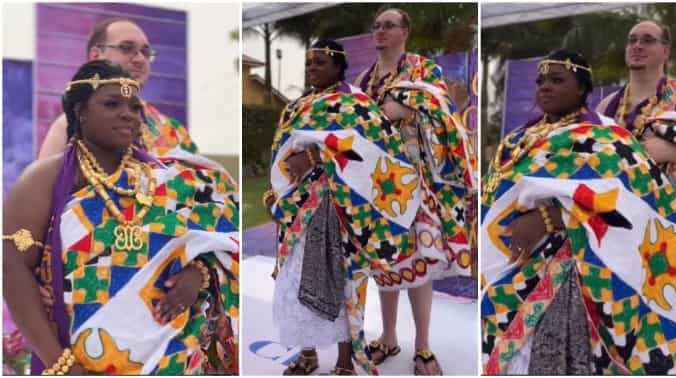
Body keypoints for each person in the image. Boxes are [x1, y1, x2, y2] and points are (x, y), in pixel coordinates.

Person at [481, 50, 676, 374]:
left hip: (572, 267)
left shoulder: (607, 138)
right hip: (509, 260)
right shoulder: (516, 139)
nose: (545, 87)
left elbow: (627, 204)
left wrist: (548, 219)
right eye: (540, 81)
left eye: (557, 80)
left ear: (582, 89)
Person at [3, 60, 239, 375]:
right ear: (79, 111)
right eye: (111, 104)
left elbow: (222, 240)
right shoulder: (44, 180)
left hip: (171, 356)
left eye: (134, 106)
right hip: (79, 360)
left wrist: (199, 273)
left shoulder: (168, 180)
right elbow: (13, 266)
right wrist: (62, 365)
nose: (127, 113)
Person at [266, 39, 428, 375]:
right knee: (296, 279)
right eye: (309, 62)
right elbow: (280, 151)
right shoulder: (296, 106)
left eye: (320, 62)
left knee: (344, 282)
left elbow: (375, 149)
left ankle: (345, 360)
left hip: (342, 208)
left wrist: (316, 155)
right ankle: (307, 353)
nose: (312, 68)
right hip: (298, 207)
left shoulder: (357, 104)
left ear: (340, 67)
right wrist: (277, 190)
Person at [354, 8, 477, 375]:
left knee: (418, 262)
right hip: (377, 185)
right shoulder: (364, 78)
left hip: (417, 181)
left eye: (389, 25)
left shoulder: (424, 70)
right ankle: (388, 336)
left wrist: (407, 110)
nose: (380, 31)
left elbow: (445, 115)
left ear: (405, 32)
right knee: (384, 261)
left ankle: (423, 345)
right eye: (376, 25)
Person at [596, 20, 676, 374]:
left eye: (647, 40)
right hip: (621, 225)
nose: (637, 46)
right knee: (626, 313)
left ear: (666, 51)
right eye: (632, 40)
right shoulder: (607, 105)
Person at [37, 17, 198, 160]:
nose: (140, 59)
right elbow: (44, 190)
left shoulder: (172, 130)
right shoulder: (69, 125)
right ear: (95, 56)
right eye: (127, 48)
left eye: (145, 52)